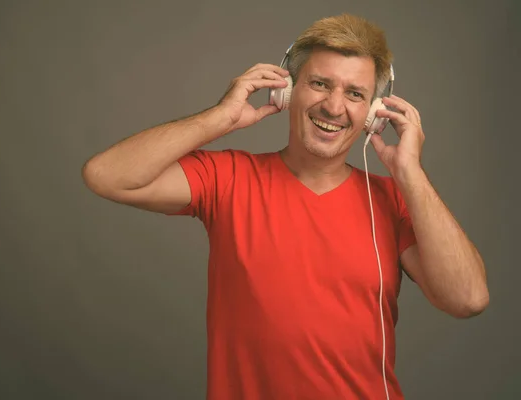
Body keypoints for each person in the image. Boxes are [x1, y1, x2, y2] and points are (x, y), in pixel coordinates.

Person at [82, 13, 489, 400]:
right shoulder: (228, 178)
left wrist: (411, 172)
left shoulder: (393, 198)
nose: (333, 106)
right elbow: (106, 175)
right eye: (319, 84)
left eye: (355, 94)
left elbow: (467, 299)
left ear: (373, 115)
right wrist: (219, 118)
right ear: (287, 90)